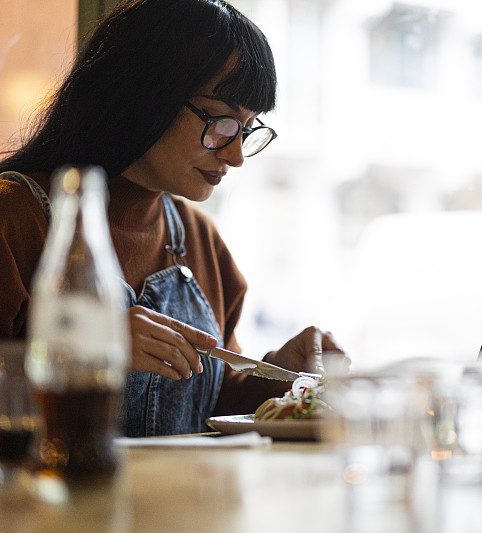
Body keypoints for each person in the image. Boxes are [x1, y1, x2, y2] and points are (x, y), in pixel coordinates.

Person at [0, 0, 347, 437]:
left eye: (248, 129)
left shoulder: (199, 238)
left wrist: (276, 376)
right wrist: (85, 350)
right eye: (221, 124)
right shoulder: (15, 217)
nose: (236, 156)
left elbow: (206, 407)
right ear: (143, 94)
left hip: (177, 505)